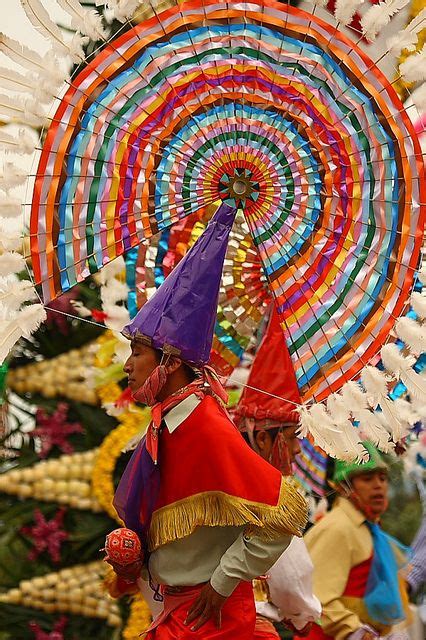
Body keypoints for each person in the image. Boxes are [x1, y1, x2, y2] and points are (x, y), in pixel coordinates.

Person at [107, 203, 308, 639]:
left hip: (210, 618)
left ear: (171, 361)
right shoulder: (168, 422)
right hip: (174, 611)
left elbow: (286, 511)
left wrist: (223, 581)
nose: (128, 366)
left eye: (137, 352)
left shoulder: (203, 423)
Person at [233, 307, 321, 639]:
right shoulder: (266, 489)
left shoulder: (225, 471)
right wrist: (303, 612)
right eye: (290, 439)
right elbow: (292, 583)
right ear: (261, 436)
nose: (298, 451)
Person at [300, 444, 411, 640]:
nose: (378, 485)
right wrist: (357, 632)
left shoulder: (369, 529)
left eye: (382, 478)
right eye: (367, 478)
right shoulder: (338, 528)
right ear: (344, 487)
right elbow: (318, 598)